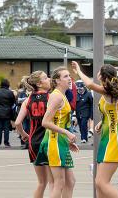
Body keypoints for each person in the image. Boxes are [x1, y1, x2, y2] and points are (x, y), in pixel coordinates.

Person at [72, 61, 118, 198]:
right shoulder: (111, 91)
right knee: (100, 185)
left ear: (102, 76)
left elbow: (90, 85)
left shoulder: (108, 91)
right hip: (108, 137)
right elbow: (114, 113)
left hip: (114, 139)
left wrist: (79, 71)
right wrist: (102, 122)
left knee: (101, 182)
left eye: (98, 72)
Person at [35, 66, 79, 198]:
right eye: (65, 76)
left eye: (69, 76)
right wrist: (67, 133)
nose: (69, 79)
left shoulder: (62, 96)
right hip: (54, 143)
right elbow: (45, 122)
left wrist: (67, 140)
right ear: (57, 81)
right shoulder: (56, 97)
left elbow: (58, 121)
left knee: (70, 182)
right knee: (59, 183)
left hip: (60, 142)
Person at [15, 71, 53, 198]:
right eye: (46, 78)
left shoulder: (28, 100)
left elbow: (17, 122)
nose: (49, 79)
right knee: (53, 181)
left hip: (34, 142)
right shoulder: (50, 98)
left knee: (42, 182)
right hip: (48, 141)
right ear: (39, 83)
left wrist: (24, 134)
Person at [0, 79, 15, 147]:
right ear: (8, 84)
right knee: (6, 128)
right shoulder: (10, 92)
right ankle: (6, 143)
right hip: (7, 112)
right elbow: (13, 102)